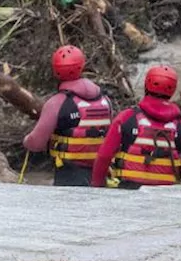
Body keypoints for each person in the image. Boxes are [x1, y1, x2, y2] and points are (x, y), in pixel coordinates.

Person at [90, 65, 181, 189]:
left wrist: (97, 186)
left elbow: (104, 156)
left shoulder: (127, 117)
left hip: (128, 192)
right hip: (167, 196)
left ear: (146, 85)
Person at [23, 45, 114, 187]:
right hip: (100, 174)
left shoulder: (56, 103)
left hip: (69, 174)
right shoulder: (105, 100)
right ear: (82, 66)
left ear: (55, 70)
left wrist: (27, 141)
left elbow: (36, 144)